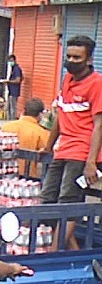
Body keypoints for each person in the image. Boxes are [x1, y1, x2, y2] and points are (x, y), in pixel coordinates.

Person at [41, 35, 102, 249]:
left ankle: (52, 255)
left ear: (88, 60)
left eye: (77, 57)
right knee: (47, 201)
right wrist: (48, 146)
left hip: (82, 153)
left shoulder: (97, 84)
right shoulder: (67, 80)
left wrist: (91, 162)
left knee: (69, 202)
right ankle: (73, 253)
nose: (71, 61)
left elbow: (99, 125)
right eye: (68, 56)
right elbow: (60, 115)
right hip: (63, 150)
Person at [1, 98, 49, 179]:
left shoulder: (6, 127)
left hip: (5, 173)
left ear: (24, 112)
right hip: (28, 176)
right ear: (40, 114)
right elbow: (47, 151)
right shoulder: (41, 132)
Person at [2, 55, 24, 119]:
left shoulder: (17, 69)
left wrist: (8, 81)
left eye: (11, 61)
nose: (10, 62)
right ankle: (9, 120)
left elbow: (18, 80)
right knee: (8, 108)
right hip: (10, 91)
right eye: (9, 61)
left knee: (13, 108)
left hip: (14, 91)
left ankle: (12, 120)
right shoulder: (13, 69)